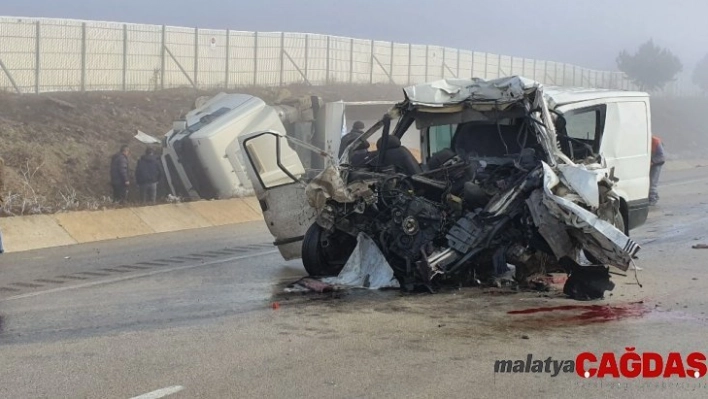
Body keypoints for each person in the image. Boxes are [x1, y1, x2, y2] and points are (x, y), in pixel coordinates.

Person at [649, 135, 665, 206]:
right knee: (649, 180)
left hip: (657, 162)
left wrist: (652, 161)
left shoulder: (655, 142)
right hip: (651, 162)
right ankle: (654, 195)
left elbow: (661, 157)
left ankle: (653, 198)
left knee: (653, 181)